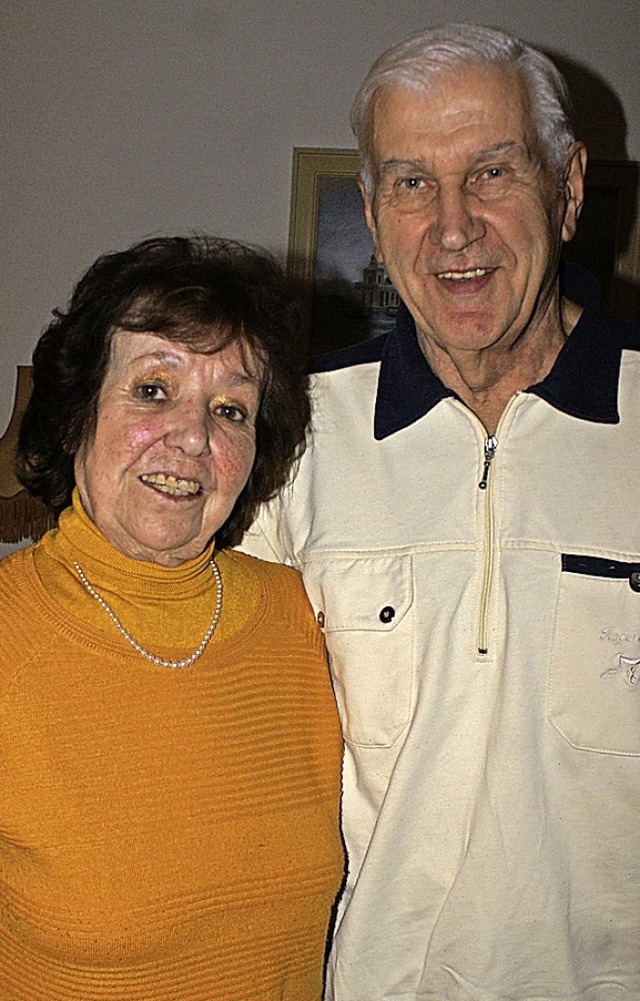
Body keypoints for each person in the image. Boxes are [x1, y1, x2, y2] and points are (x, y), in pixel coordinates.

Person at [241, 23, 640, 1001]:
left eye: (493, 171)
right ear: (374, 216)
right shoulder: (288, 437)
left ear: (569, 186)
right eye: (411, 183)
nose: (453, 226)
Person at [0, 235, 345, 999]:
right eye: (153, 389)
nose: (193, 437)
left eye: (231, 409)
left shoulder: (304, 619)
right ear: (73, 415)